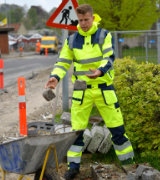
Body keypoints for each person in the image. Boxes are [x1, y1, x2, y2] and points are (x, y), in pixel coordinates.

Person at [45, 4, 134, 180]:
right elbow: (62, 62)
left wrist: (100, 71)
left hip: (104, 90)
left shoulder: (104, 35)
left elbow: (109, 57)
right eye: (81, 20)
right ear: (77, 20)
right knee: (76, 133)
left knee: (117, 129)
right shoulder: (71, 40)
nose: (84, 23)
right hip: (81, 92)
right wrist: (55, 77)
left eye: (86, 19)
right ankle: (73, 168)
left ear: (93, 18)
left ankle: (129, 164)